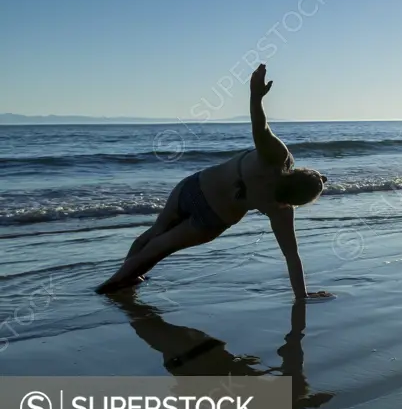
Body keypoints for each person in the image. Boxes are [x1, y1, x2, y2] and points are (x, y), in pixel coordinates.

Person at [97, 64, 333, 299]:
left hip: (196, 189)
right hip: (210, 218)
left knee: (155, 235)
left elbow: (260, 126)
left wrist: (255, 96)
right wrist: (302, 295)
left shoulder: (277, 157)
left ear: (300, 172)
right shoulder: (282, 208)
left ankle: (120, 281)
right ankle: (119, 282)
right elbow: (292, 256)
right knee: (157, 250)